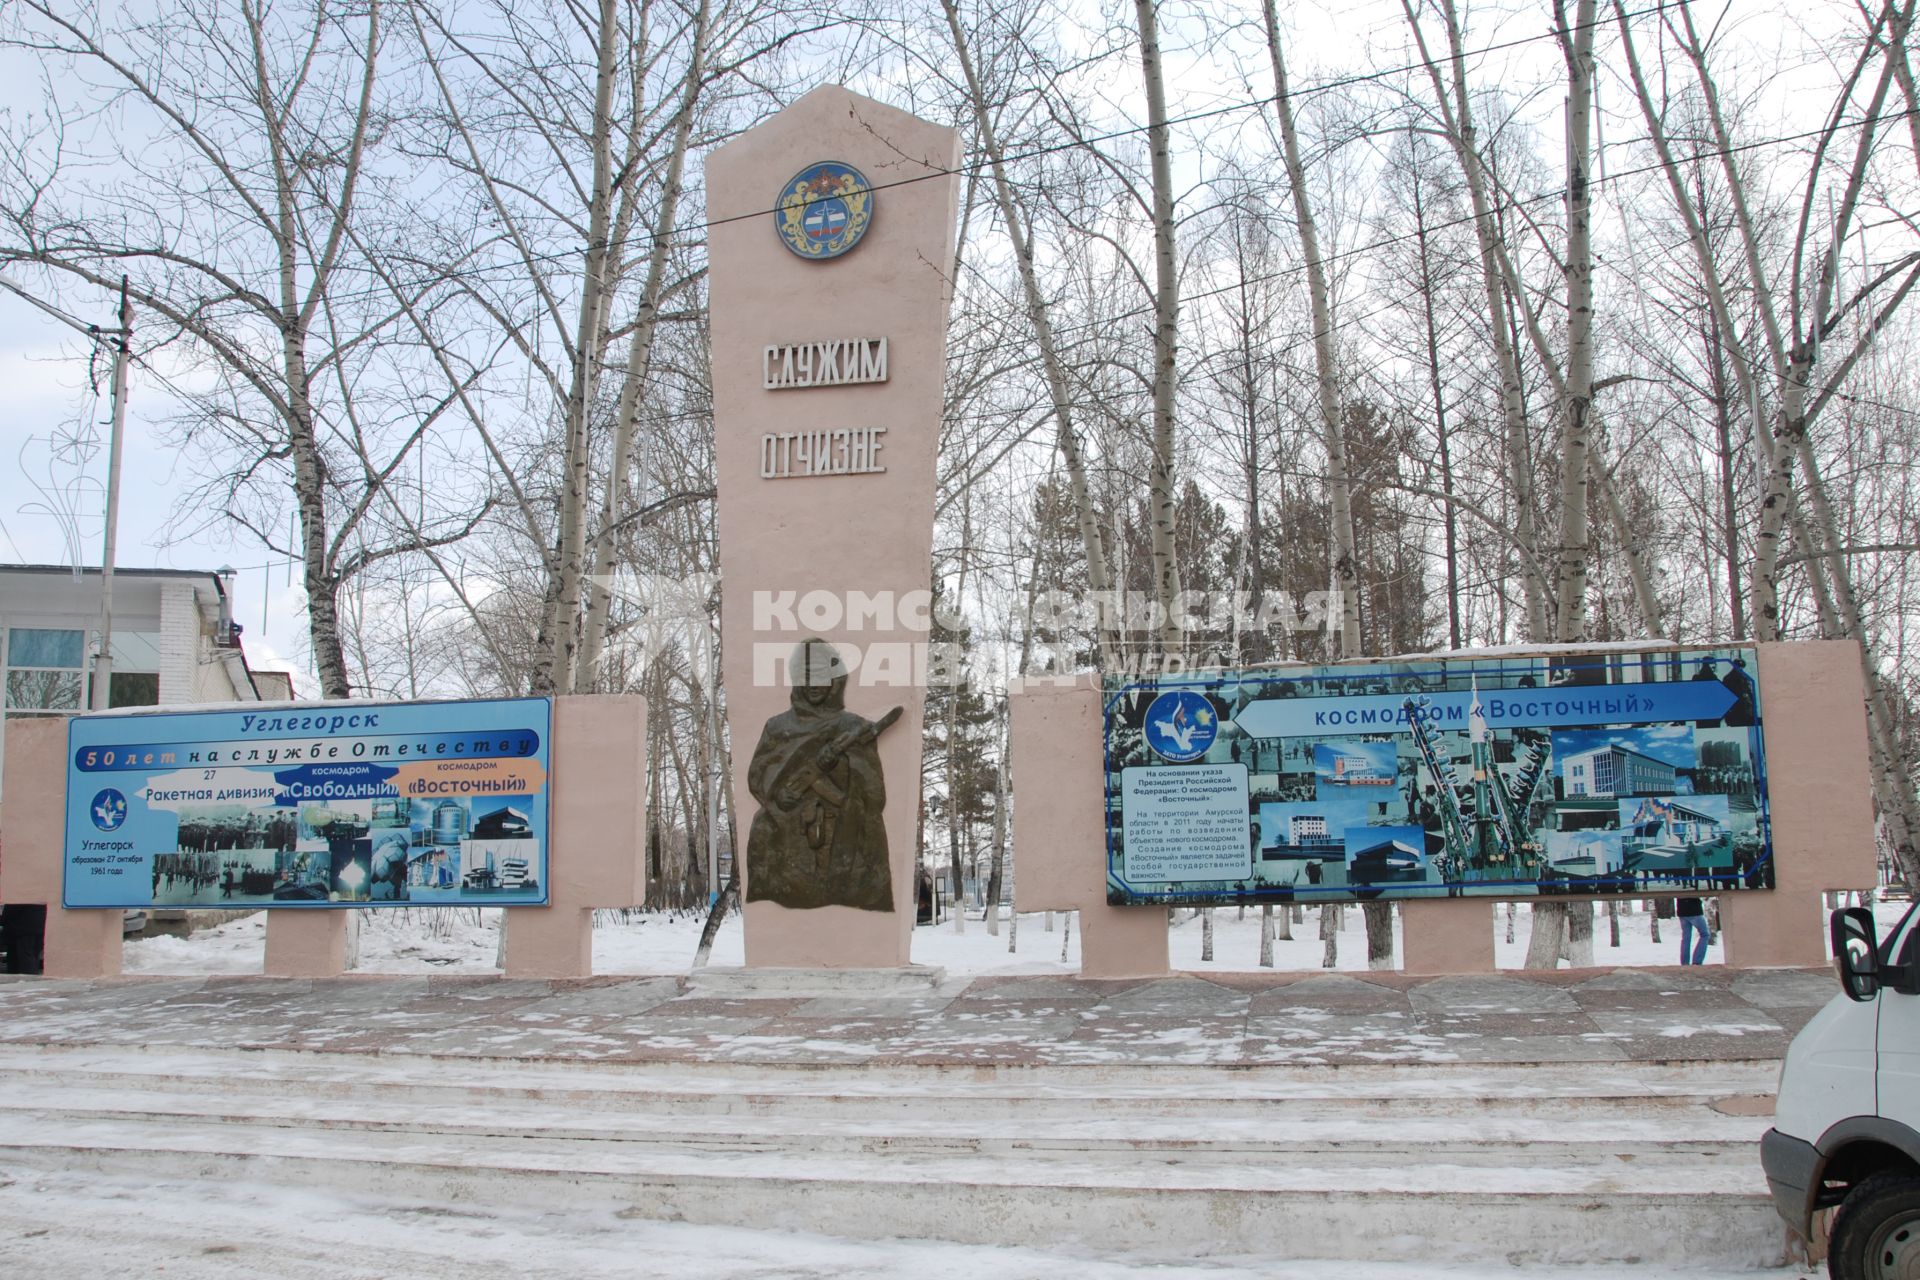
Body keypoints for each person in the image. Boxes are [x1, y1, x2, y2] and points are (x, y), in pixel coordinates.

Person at [1676, 895, 1709, 964]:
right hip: (1694, 910)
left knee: (1686, 938)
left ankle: (1685, 963)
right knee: (1705, 934)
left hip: (1682, 910)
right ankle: (1697, 961)